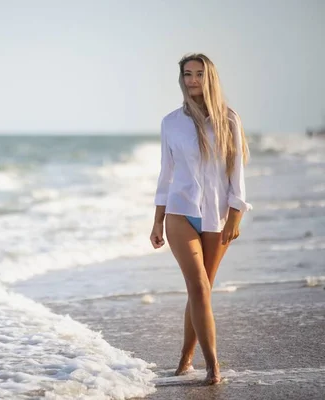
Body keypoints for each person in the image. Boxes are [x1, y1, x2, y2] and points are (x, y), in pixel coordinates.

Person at [149, 53, 252, 385]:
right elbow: (166, 175)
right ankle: (212, 367)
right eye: (187, 74)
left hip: (217, 216)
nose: (192, 80)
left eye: (199, 74)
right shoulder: (170, 123)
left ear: (210, 79)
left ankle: (184, 359)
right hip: (180, 212)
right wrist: (157, 219)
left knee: (202, 290)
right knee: (197, 286)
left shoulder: (229, 120)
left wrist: (236, 212)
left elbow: (236, 172)